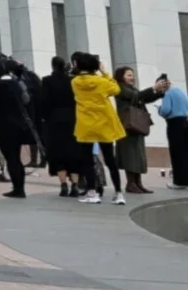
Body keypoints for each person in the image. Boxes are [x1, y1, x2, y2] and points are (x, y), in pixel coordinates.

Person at [70, 53, 126, 205]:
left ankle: (92, 192)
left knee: (87, 160)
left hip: (85, 124)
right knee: (110, 159)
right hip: (104, 123)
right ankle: (119, 193)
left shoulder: (75, 82)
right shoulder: (102, 82)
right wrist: (105, 72)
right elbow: (116, 90)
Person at [0, 58, 37, 198]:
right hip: (19, 125)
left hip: (3, 126)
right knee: (16, 157)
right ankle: (20, 187)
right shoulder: (17, 84)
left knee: (11, 158)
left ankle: (18, 189)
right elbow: (26, 101)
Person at [39, 56, 90, 196]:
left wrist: (44, 117)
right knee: (74, 152)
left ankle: (63, 184)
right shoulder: (73, 81)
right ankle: (74, 184)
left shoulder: (47, 81)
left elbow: (43, 102)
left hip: (54, 121)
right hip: (73, 119)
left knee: (57, 153)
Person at [112, 65, 167, 195]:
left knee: (138, 155)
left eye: (132, 75)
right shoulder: (119, 88)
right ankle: (131, 183)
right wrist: (153, 88)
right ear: (121, 76)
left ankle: (138, 183)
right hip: (127, 126)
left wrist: (159, 91)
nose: (132, 77)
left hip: (136, 126)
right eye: (129, 75)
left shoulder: (132, 89)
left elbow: (144, 97)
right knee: (130, 155)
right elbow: (137, 96)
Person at [157, 77, 188, 190]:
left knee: (176, 153)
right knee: (185, 152)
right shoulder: (181, 92)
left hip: (174, 124)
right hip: (185, 122)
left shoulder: (167, 93)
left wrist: (159, 110)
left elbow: (166, 110)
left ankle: (179, 182)